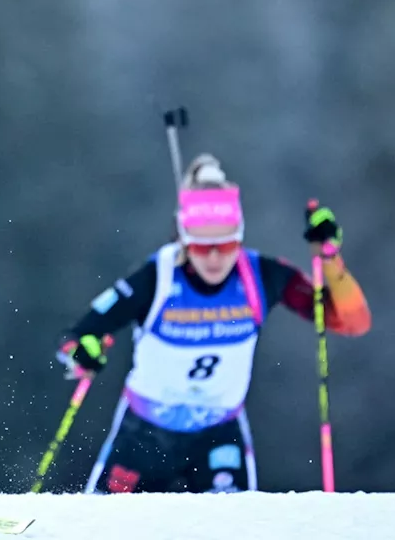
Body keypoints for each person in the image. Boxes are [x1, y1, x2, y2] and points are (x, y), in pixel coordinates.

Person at [57, 154, 371, 494]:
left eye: (226, 245)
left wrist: (329, 256)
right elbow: (78, 337)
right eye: (202, 247)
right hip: (145, 435)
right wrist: (83, 353)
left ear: (239, 237)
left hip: (217, 435)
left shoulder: (261, 276)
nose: (215, 258)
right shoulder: (157, 276)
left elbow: (351, 322)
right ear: (184, 240)